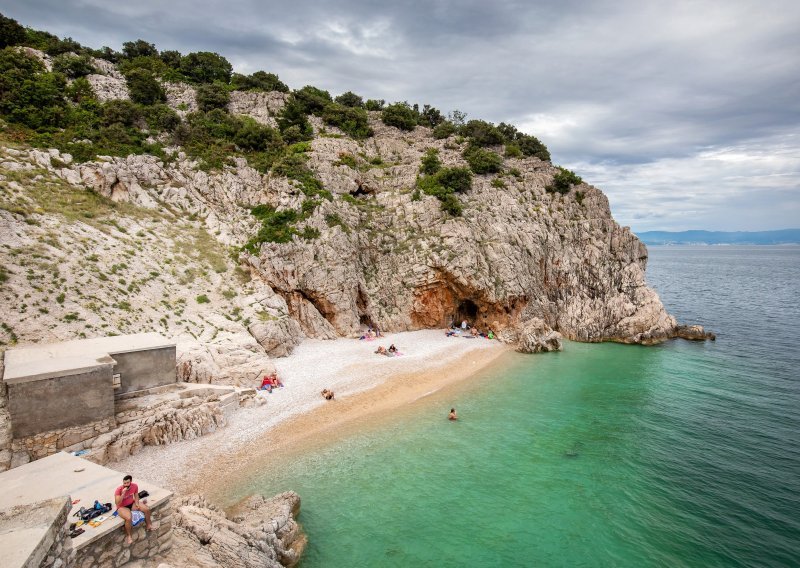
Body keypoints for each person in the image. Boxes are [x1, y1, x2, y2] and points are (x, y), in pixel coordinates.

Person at [115, 474, 152, 545]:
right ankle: (129, 536)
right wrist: (123, 494)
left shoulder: (134, 486)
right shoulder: (119, 490)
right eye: (124, 483)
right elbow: (117, 502)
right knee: (129, 518)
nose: (126, 485)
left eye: (127, 483)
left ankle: (149, 525)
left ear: (131, 481)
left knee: (146, 509)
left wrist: (137, 503)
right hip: (122, 507)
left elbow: (136, 495)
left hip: (131, 503)